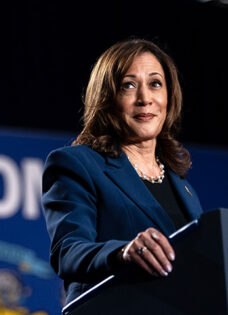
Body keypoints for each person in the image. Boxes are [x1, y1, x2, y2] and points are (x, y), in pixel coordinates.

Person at [41, 38, 203, 305]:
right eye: (128, 85)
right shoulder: (76, 164)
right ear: (107, 98)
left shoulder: (184, 187)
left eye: (155, 84)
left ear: (169, 96)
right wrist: (122, 253)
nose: (145, 99)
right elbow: (68, 252)